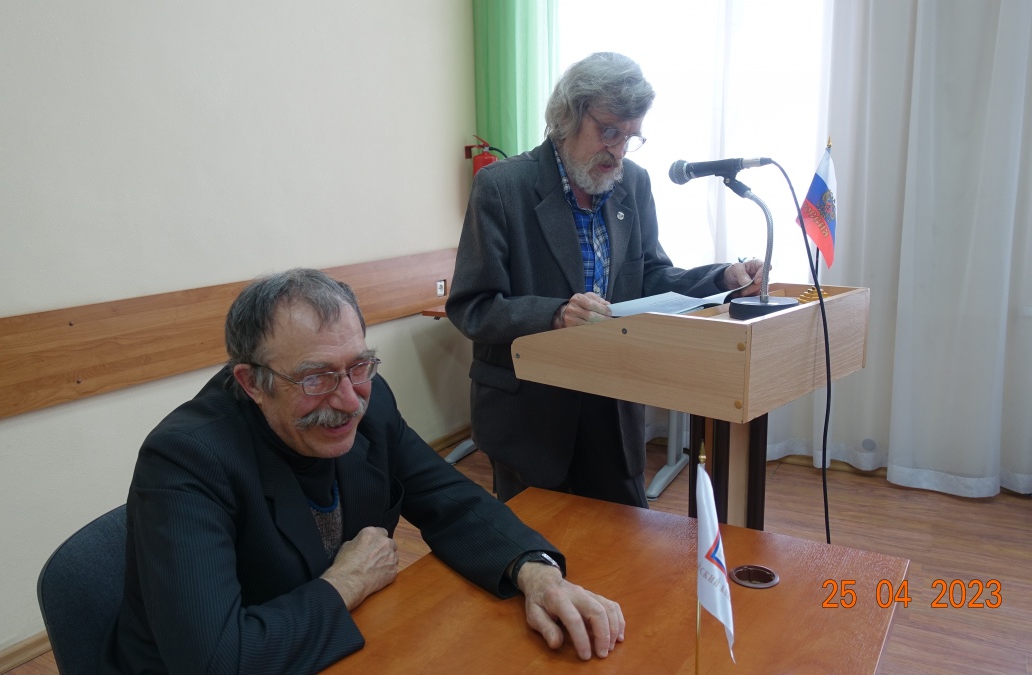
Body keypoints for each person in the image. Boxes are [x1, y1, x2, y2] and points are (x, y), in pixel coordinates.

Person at [101, 268, 624, 674]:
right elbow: (218, 661)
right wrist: (347, 582)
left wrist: (536, 573)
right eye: (315, 378)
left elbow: (450, 500)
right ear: (252, 382)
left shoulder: (369, 402)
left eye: (358, 365)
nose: (350, 401)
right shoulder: (186, 459)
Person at [446, 52, 765, 508]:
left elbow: (651, 275)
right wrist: (555, 314)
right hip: (531, 416)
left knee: (630, 543)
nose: (618, 150)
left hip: (613, 408)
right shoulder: (502, 187)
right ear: (567, 118)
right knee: (540, 546)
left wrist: (722, 278)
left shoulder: (631, 182)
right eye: (609, 131)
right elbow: (473, 307)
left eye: (630, 137)